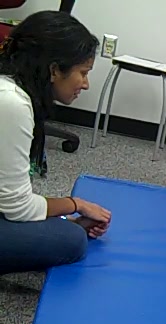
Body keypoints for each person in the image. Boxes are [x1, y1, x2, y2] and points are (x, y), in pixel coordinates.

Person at [0, 11, 111, 275]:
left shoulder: (11, 90)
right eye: (83, 73)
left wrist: (59, 217)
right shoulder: (11, 102)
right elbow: (18, 208)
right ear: (53, 70)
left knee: (62, 228)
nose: (85, 84)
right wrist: (75, 204)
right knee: (71, 240)